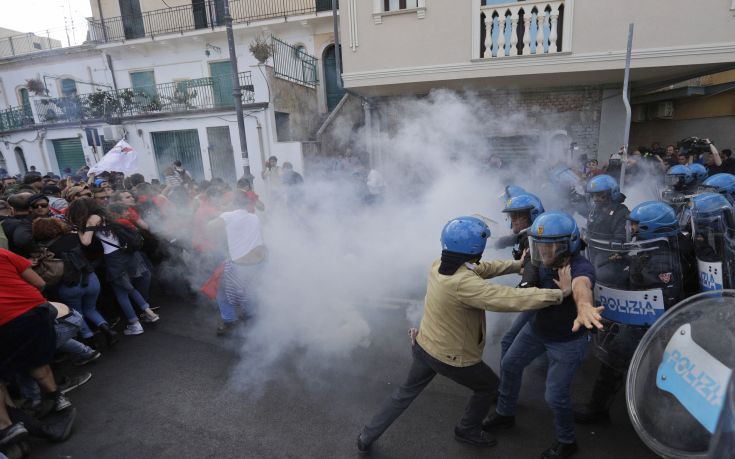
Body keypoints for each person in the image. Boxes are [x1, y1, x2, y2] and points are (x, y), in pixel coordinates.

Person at [357, 216, 574, 452]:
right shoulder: (464, 284)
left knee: (404, 393)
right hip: (451, 357)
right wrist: (558, 294)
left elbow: (479, 269)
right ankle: (467, 429)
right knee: (489, 386)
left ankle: (366, 436)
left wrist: (516, 265)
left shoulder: (440, 263)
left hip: (424, 345)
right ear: (476, 248)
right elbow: (508, 298)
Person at [483, 211, 603, 459]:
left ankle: (566, 441)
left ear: (568, 244)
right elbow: (531, 273)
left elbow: (583, 286)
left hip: (567, 342)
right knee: (510, 364)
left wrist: (584, 306)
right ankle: (505, 414)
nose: (544, 252)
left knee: (555, 396)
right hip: (537, 330)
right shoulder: (541, 260)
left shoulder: (580, 266)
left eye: (551, 246)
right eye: (540, 246)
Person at [574, 201, 695, 424]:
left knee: (617, 358)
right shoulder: (659, 246)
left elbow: (663, 297)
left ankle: (603, 410)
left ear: (652, 228)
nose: (632, 229)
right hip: (653, 322)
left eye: (637, 226)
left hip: (652, 322)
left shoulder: (663, 260)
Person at [67, 198, 158, 336]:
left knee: (121, 292)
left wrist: (78, 230)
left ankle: (135, 324)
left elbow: (86, 241)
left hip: (114, 258)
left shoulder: (92, 219)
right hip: (126, 253)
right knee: (128, 287)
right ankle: (149, 313)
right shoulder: (104, 215)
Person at [0, 248, 73, 416]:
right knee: (37, 360)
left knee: (14, 365)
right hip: (32, 309)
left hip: (4, 321)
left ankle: (24, 411)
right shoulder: (3, 253)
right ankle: (57, 398)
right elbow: (40, 283)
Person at [31, 217, 118, 347]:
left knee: (77, 313)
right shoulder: (73, 237)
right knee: (91, 308)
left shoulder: (43, 249)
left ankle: (90, 339)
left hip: (69, 285)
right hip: (91, 279)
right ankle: (108, 331)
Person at [207, 191, 267, 336]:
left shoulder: (229, 215)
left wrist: (223, 213)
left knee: (222, 292)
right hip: (259, 263)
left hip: (241, 265)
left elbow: (210, 226)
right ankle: (250, 315)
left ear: (233, 203)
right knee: (250, 289)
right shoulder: (254, 217)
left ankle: (229, 321)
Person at [497, 192, 545, 358]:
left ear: (532, 215)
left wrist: (525, 285)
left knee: (508, 340)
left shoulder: (533, 239)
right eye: (512, 216)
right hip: (540, 295)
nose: (514, 220)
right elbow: (512, 239)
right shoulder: (529, 233)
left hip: (538, 294)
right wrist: (490, 243)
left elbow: (531, 264)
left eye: (518, 216)